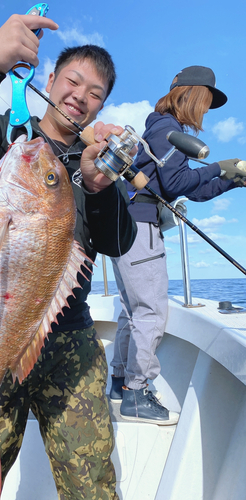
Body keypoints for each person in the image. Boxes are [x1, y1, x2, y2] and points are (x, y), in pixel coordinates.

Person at [0, 12, 137, 500]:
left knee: (93, 488)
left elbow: (119, 241)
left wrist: (99, 187)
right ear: (50, 79)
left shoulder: (94, 163)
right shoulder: (7, 138)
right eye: (73, 80)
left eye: (95, 94)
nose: (80, 97)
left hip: (69, 342)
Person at [109, 65, 246, 425]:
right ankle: (137, 394)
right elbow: (175, 182)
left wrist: (231, 180)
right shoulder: (167, 128)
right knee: (151, 311)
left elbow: (193, 189)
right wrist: (219, 166)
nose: (204, 110)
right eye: (205, 101)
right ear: (188, 95)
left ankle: (120, 381)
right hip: (140, 228)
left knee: (132, 310)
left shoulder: (159, 127)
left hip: (127, 227)